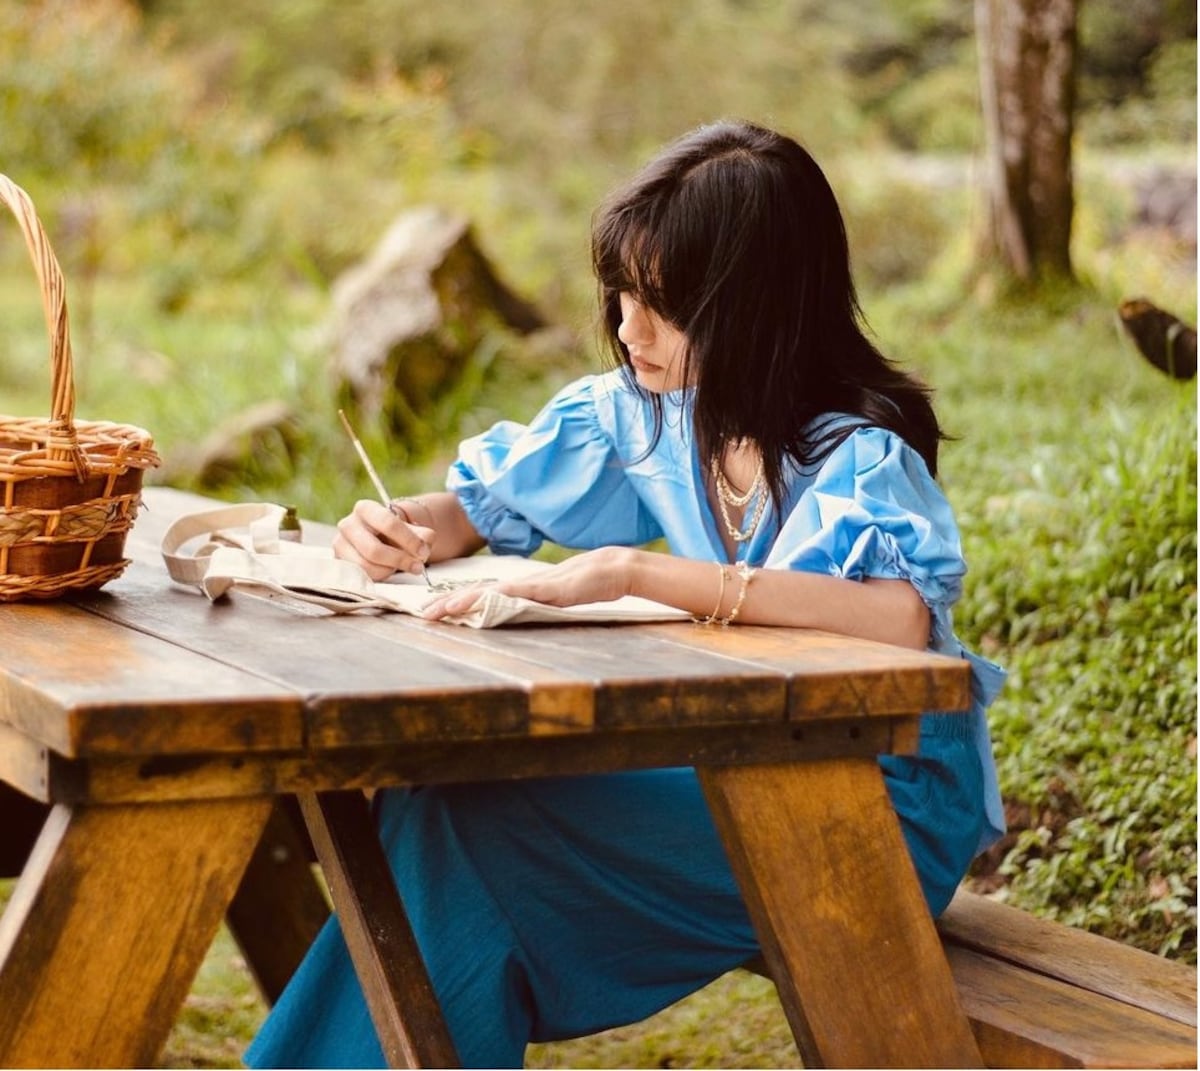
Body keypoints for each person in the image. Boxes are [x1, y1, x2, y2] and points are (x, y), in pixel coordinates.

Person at [246, 118, 1006, 1070]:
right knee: (439, 800)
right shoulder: (650, 411)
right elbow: (482, 507)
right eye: (623, 294)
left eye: (663, 304)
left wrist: (641, 571)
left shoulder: (857, 452)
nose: (627, 329)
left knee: (466, 821)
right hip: (739, 758)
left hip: (872, 803)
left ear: (756, 307)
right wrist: (400, 526)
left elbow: (896, 616)